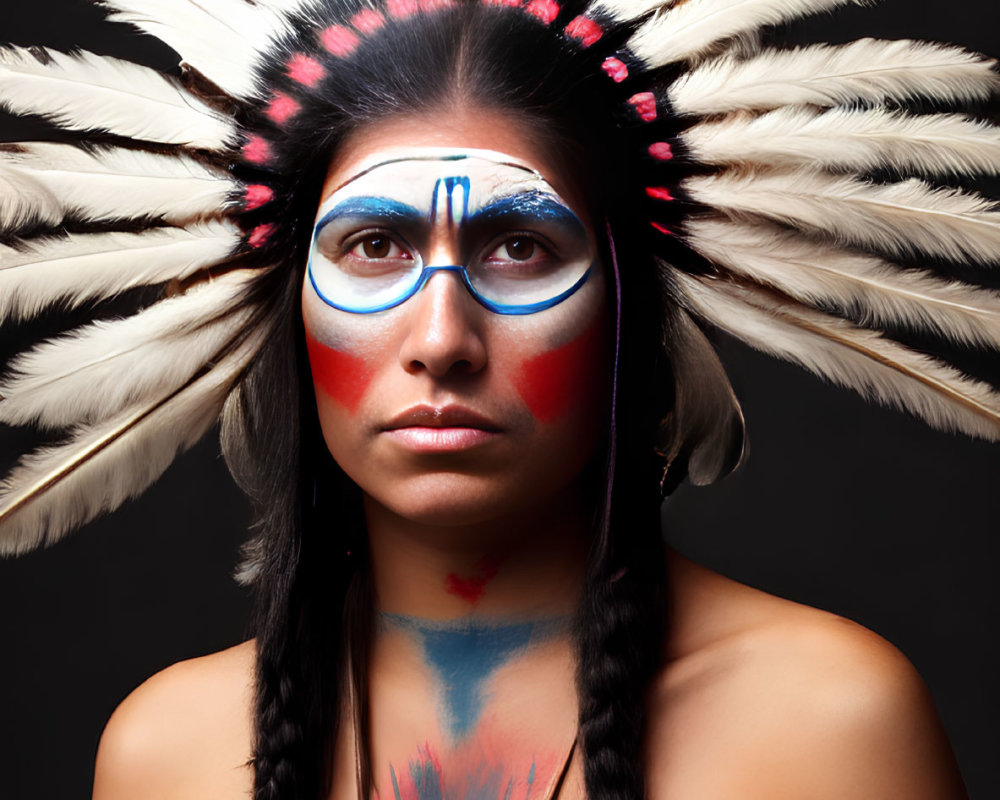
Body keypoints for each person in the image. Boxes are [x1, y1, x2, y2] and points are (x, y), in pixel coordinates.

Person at [0, 0, 997, 798]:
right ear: (289, 307)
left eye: (520, 247)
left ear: (627, 310)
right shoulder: (167, 757)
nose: (441, 340)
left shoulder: (829, 724)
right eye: (374, 245)